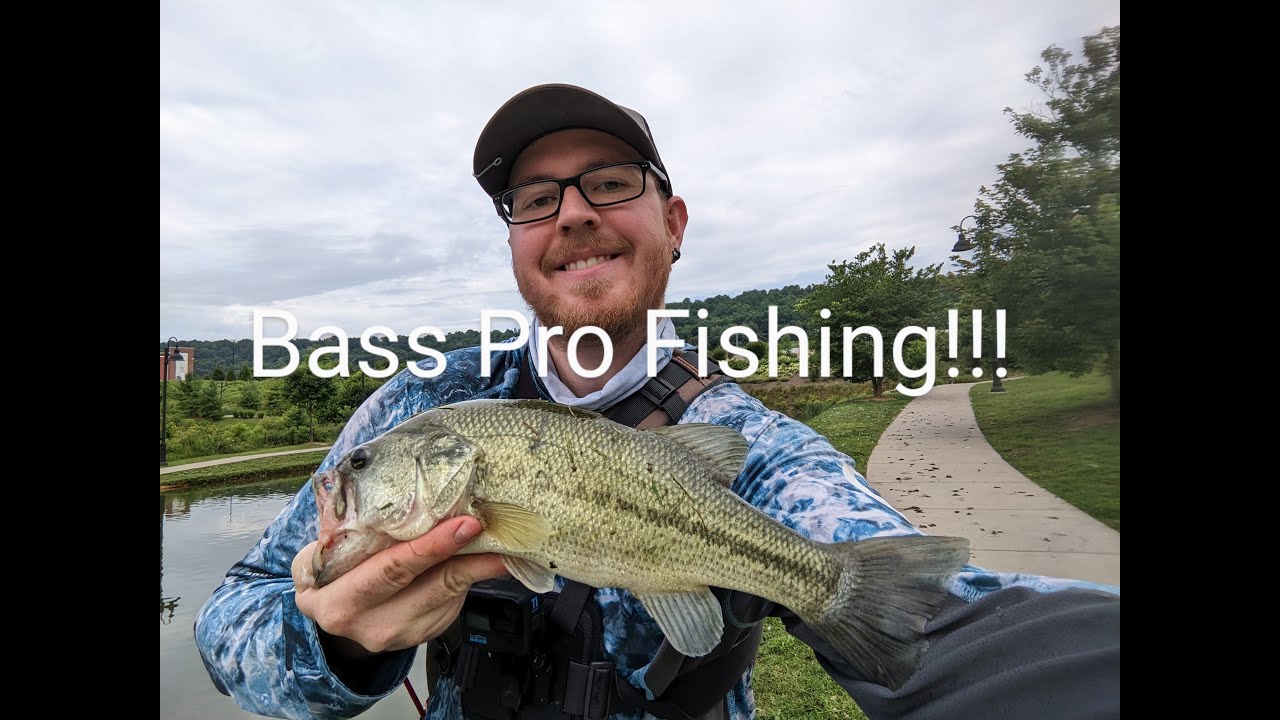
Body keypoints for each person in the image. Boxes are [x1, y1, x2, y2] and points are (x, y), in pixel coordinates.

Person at [194, 83, 1119, 720]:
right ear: (515, 242)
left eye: (608, 182)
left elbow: (954, 625)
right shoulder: (423, 409)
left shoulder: (758, 447)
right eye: (534, 198)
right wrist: (342, 650)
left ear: (672, 225)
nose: (572, 215)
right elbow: (229, 620)